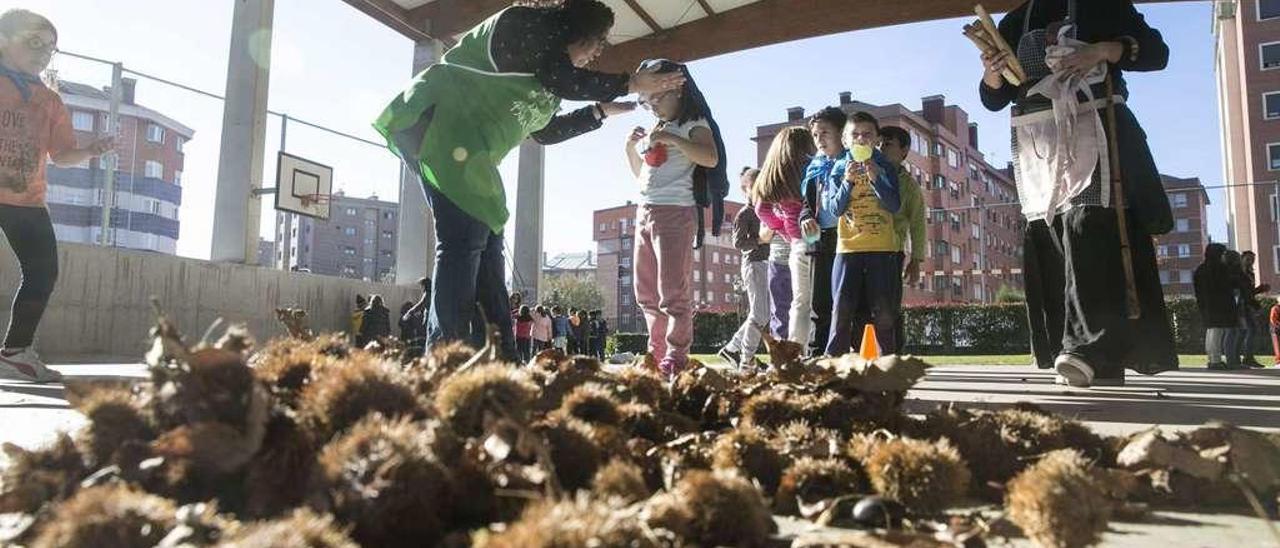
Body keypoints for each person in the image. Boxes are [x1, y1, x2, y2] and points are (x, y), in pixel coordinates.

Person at [374, 0, 684, 362]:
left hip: (471, 153)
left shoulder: (547, 83)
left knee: (489, 242)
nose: (597, 54)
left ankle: (500, 354)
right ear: (577, 30)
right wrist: (628, 82)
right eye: (598, 43)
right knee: (463, 241)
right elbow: (561, 76)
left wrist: (600, 112)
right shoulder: (522, 24)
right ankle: (443, 355)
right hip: (438, 124)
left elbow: (546, 132)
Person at [979, 0, 1177, 387]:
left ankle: (1088, 349)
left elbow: (1156, 52)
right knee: (1052, 236)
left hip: (1096, 122)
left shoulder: (1105, 5)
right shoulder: (1016, 19)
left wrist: (1102, 51)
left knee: (1090, 226)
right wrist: (992, 73)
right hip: (1039, 138)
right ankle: (1070, 351)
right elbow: (993, 98)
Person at [0, 10, 113, 382]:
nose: (44, 52)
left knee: (43, 270)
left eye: (51, 47)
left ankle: (15, 353)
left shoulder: (50, 101)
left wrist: (91, 150)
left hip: (26, 200)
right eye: (34, 42)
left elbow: (61, 156)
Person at [624, 59, 724, 377]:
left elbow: (710, 157)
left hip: (675, 214)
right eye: (646, 101)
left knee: (672, 290)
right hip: (645, 212)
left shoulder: (693, 123)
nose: (652, 106)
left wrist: (676, 141)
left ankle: (677, 355)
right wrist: (630, 149)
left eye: (657, 97)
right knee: (645, 291)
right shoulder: (656, 128)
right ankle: (656, 352)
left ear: (677, 88)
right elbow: (644, 175)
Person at [824, 112, 902, 357]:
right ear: (845, 141)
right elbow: (835, 208)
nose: (861, 139)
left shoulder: (886, 167)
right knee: (842, 308)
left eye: (867, 134)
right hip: (848, 249)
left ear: (876, 139)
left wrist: (876, 178)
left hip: (882, 249)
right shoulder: (837, 168)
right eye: (855, 134)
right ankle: (833, 361)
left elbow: (894, 205)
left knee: (884, 311)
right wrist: (847, 182)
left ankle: (886, 360)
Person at [754, 127, 818, 348]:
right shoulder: (810, 167)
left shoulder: (774, 174)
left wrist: (783, 228)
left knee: (799, 303)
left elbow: (761, 210)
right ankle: (820, 348)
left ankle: (795, 351)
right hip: (818, 239)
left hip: (797, 243)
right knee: (821, 300)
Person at [799, 107, 848, 357]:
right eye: (816, 135)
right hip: (820, 240)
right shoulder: (815, 168)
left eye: (825, 133)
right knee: (819, 302)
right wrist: (806, 218)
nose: (819, 140)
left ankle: (845, 353)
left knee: (846, 300)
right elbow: (805, 206)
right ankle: (815, 353)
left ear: (841, 133)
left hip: (848, 240)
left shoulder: (850, 163)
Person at [877, 126, 926, 354]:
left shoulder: (909, 186)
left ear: (904, 151)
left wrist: (916, 260)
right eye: (877, 143)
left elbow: (917, 223)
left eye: (887, 144)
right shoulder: (866, 173)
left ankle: (894, 354)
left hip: (891, 252)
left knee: (889, 307)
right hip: (861, 248)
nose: (880, 148)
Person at [718, 167, 768, 370]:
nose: (760, 190)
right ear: (745, 189)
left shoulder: (765, 209)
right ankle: (747, 358)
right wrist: (759, 240)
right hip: (753, 264)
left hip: (767, 264)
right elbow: (738, 243)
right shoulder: (745, 213)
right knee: (760, 314)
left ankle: (731, 349)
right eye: (754, 186)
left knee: (760, 313)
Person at [1194, 244, 1235, 370]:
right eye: (1222, 254)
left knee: (1211, 331)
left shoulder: (1201, 269)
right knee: (1217, 331)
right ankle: (1216, 360)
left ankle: (1212, 358)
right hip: (1219, 304)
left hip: (1206, 304)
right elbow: (1226, 286)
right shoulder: (1220, 268)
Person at [1238, 251, 1270, 368]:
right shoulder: (1241, 273)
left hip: (1247, 305)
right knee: (1247, 330)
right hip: (1242, 306)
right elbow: (1245, 292)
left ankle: (1247, 357)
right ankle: (1244, 358)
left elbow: (1249, 292)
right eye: (1248, 259)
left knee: (1249, 330)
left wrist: (1259, 289)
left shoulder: (1250, 273)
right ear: (1242, 259)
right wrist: (1257, 305)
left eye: (1252, 259)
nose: (1251, 261)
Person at [766, 232, 792, 340]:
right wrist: (775, 224)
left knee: (803, 307)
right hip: (778, 262)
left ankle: (800, 349)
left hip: (802, 258)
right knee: (779, 311)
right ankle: (780, 348)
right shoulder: (769, 214)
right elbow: (764, 236)